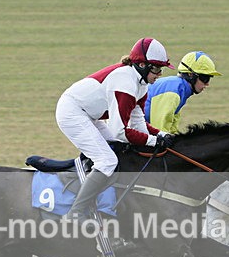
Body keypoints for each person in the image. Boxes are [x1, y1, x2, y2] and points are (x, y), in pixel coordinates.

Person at [57, 37, 176, 218]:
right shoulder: (125, 83)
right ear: (143, 65)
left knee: (118, 152)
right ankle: (76, 212)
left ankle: (101, 202)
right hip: (72, 112)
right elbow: (119, 131)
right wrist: (155, 140)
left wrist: (162, 134)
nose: (160, 74)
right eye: (157, 68)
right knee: (107, 161)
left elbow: (139, 125)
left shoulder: (141, 85)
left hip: (89, 114)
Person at [144, 50, 222, 134]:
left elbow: (172, 128)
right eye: (204, 78)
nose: (207, 84)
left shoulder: (181, 90)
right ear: (190, 75)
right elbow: (159, 130)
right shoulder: (174, 91)